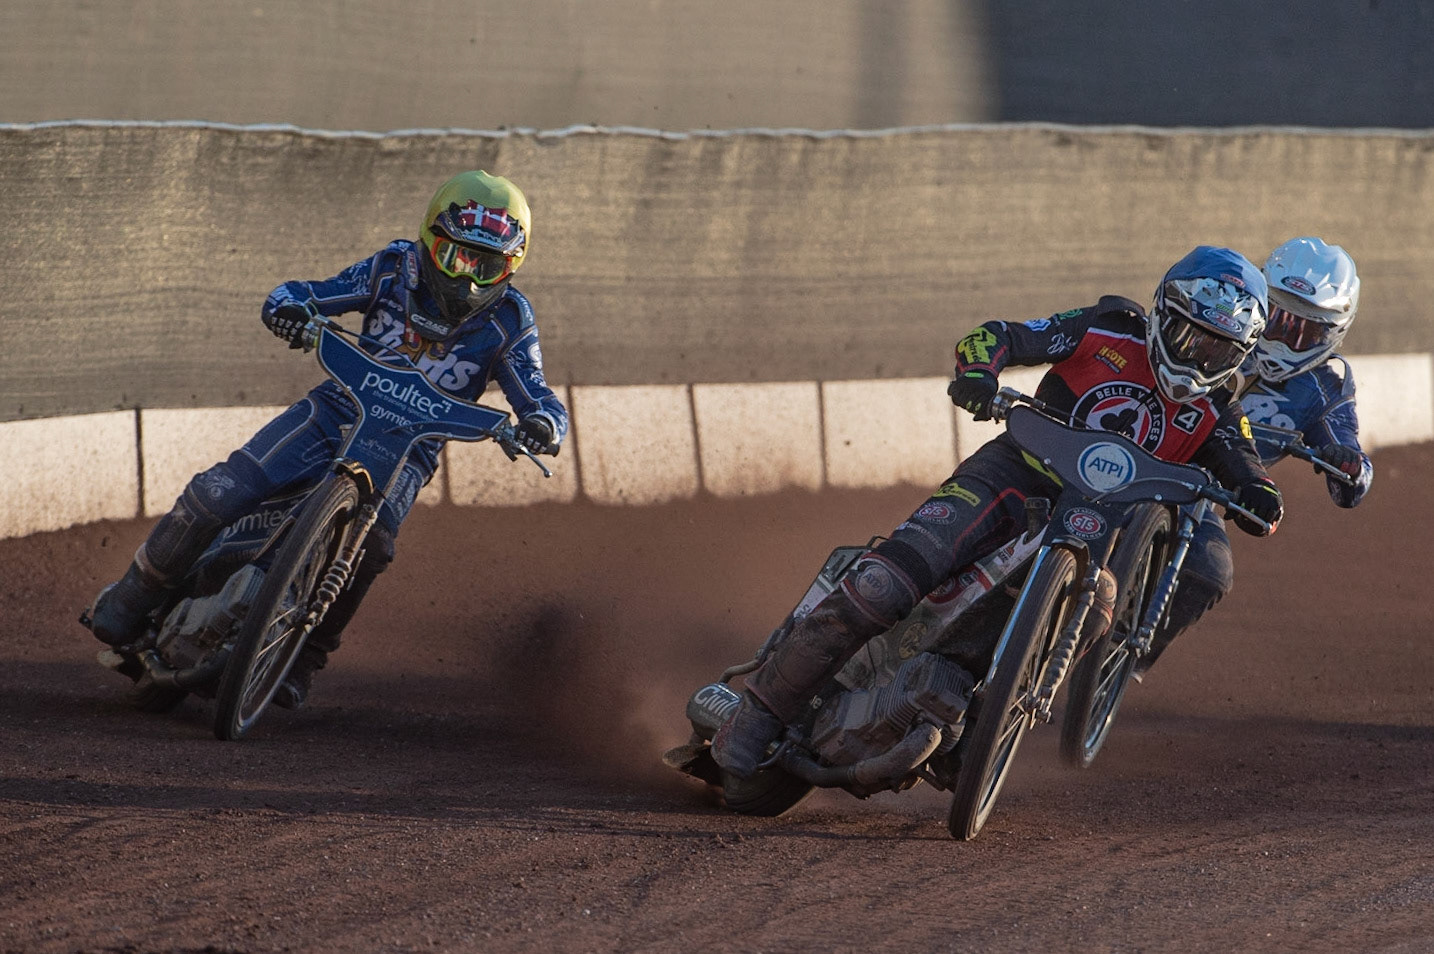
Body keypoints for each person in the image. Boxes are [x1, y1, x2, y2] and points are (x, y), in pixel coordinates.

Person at [711, 245, 1285, 778]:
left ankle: (979, 731)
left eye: (1217, 349)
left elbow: (1246, 463)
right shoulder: (1107, 328)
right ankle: (759, 710)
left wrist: (1259, 495)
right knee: (887, 582)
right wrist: (979, 375)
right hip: (1011, 476)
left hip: (1093, 528)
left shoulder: (1220, 410)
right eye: (1189, 336)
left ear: (1240, 356)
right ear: (1162, 312)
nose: (1198, 357)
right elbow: (998, 336)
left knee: (1096, 606)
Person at [85, 170, 568, 708]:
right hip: (331, 411)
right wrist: (290, 311)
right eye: (457, 258)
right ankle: (134, 594)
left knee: (375, 545)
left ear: (512, 266)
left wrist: (544, 424)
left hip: (407, 448)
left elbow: (538, 394)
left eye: (488, 266)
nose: (469, 281)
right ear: (430, 241)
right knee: (216, 493)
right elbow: (303, 294)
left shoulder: (510, 320)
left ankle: (306, 659)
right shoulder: (392, 267)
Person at [1133, 236, 1370, 678]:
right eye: (1279, 319)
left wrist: (1349, 465)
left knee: (1209, 571)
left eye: (1305, 332)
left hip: (1202, 495)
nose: (1285, 338)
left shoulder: (1327, 386)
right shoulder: (1221, 326)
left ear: (1333, 334)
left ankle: (1120, 662)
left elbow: (1350, 480)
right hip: (1139, 445)